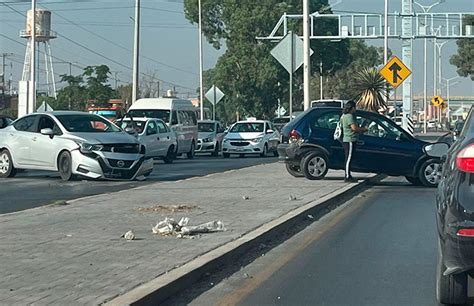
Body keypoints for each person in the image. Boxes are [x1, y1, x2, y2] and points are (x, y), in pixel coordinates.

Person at [340, 101, 367, 183]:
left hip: (347, 139)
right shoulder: (349, 116)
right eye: (354, 107)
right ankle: (347, 176)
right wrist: (363, 129)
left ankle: (348, 174)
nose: (355, 109)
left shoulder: (343, 116)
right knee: (348, 158)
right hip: (350, 140)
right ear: (351, 108)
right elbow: (354, 128)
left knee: (349, 158)